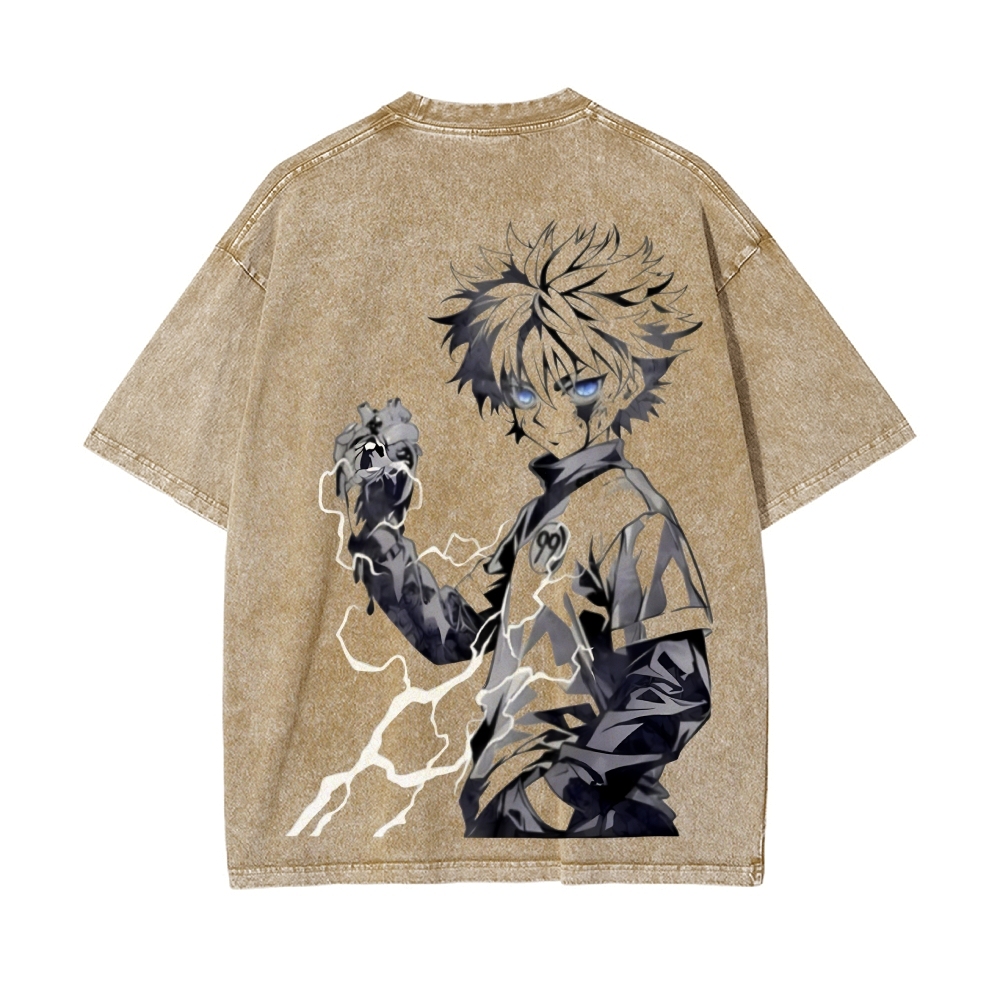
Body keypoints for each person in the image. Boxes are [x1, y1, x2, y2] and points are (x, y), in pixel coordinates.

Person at [336, 222, 713, 837]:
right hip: (507, 804)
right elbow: (453, 633)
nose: (553, 414)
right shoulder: (541, 517)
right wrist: (378, 523)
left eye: (579, 385)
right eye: (528, 394)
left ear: (622, 382)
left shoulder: (631, 512)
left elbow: (676, 681)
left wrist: (565, 792)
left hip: (592, 821)